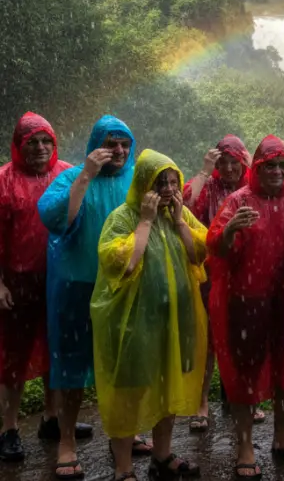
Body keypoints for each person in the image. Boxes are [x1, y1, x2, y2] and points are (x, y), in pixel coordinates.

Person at [38, 115, 152, 479]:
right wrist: (86, 175)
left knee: (124, 365)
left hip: (123, 287)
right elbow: (56, 218)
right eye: (110, 143)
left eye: (124, 144)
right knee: (72, 367)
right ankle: (67, 441)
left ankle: (123, 432)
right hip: (76, 286)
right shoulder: (72, 177)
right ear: (94, 146)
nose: (118, 151)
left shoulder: (137, 181)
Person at [94, 150, 207, 481]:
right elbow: (124, 263)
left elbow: (199, 252)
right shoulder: (123, 217)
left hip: (175, 319)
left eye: (174, 181)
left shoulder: (177, 215)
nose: (169, 189)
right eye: (161, 182)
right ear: (144, 184)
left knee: (167, 385)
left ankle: (162, 455)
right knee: (130, 393)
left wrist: (180, 221)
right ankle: (124, 467)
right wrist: (145, 220)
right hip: (134, 324)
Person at [208, 135, 284, 478]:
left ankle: (281, 435)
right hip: (246, 300)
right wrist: (229, 232)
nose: (277, 171)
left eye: (283, 165)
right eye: (270, 166)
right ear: (256, 167)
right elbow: (216, 250)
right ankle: (245, 445)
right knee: (245, 374)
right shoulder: (239, 202)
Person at [0, 113, 71, 462]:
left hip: (59, 277)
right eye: (33, 142)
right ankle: (9, 429)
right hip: (17, 280)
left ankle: (51, 418)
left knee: (55, 350)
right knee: (13, 357)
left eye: (46, 141)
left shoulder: (67, 174)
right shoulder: (4, 179)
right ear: (20, 145)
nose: (41, 148)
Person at [181, 135, 264, 431]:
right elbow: (185, 203)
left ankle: (242, 398)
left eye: (235, 163)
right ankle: (201, 403)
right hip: (210, 273)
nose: (229, 169)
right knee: (208, 341)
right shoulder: (211, 187)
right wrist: (205, 170)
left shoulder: (251, 189)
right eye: (223, 163)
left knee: (243, 339)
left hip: (244, 272)